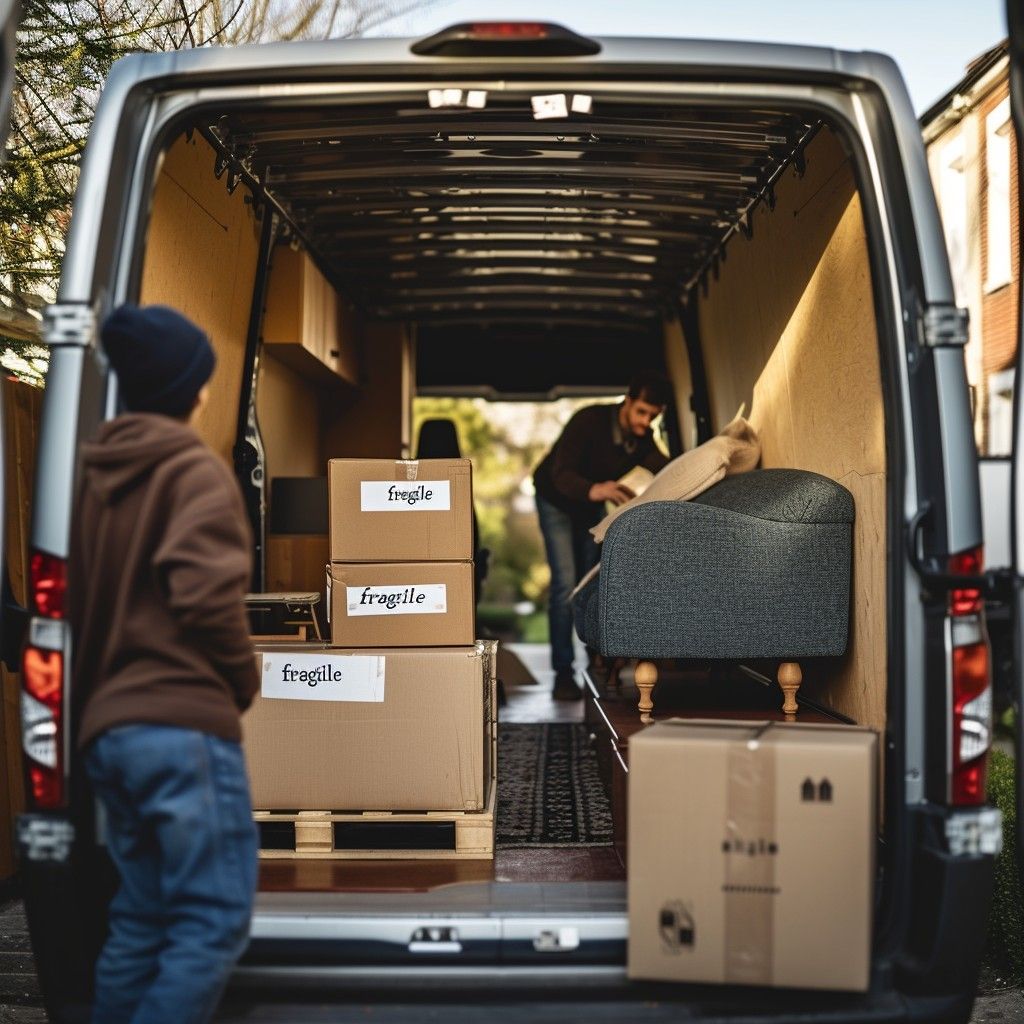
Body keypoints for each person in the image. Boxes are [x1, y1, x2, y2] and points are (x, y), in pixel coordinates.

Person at [68, 304, 260, 1024]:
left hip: (109, 732)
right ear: (192, 388)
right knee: (211, 922)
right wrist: (243, 680)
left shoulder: (92, 480)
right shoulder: (194, 474)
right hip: (181, 730)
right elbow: (207, 600)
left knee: (142, 921)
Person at [533, 371, 671, 699]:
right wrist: (598, 489)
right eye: (641, 412)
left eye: (653, 416)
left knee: (590, 580)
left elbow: (669, 470)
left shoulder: (642, 437)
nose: (645, 422)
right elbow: (561, 473)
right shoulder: (588, 421)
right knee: (566, 583)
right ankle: (562, 674)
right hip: (556, 499)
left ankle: (594, 661)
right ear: (627, 402)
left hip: (590, 506)